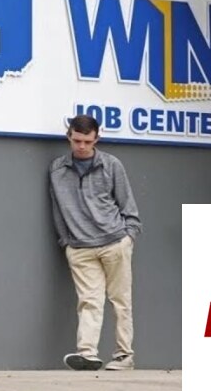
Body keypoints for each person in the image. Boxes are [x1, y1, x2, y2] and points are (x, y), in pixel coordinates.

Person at [48, 115, 141, 371]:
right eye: (77, 140)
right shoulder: (57, 170)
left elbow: (128, 205)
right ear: (69, 136)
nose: (81, 146)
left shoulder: (111, 165)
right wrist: (66, 242)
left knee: (120, 301)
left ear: (96, 139)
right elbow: (57, 209)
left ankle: (124, 356)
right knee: (89, 301)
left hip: (115, 242)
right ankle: (87, 354)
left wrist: (128, 236)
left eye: (87, 141)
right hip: (79, 247)